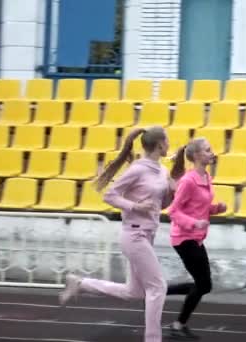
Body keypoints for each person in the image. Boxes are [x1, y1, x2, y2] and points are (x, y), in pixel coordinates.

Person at [58, 126, 175, 342]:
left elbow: (162, 205)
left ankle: (80, 284)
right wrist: (134, 207)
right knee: (158, 287)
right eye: (167, 141)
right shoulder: (137, 169)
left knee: (135, 292)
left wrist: (171, 192)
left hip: (148, 234)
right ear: (160, 145)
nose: (169, 145)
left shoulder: (162, 171)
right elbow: (110, 195)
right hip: (134, 236)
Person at [166, 137, 228, 340]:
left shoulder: (206, 178)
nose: (212, 153)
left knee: (203, 284)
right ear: (197, 156)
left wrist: (216, 209)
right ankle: (177, 324)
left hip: (197, 237)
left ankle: (161, 292)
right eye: (208, 150)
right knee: (203, 285)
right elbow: (173, 211)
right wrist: (193, 223)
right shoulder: (188, 181)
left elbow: (201, 208)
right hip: (184, 238)